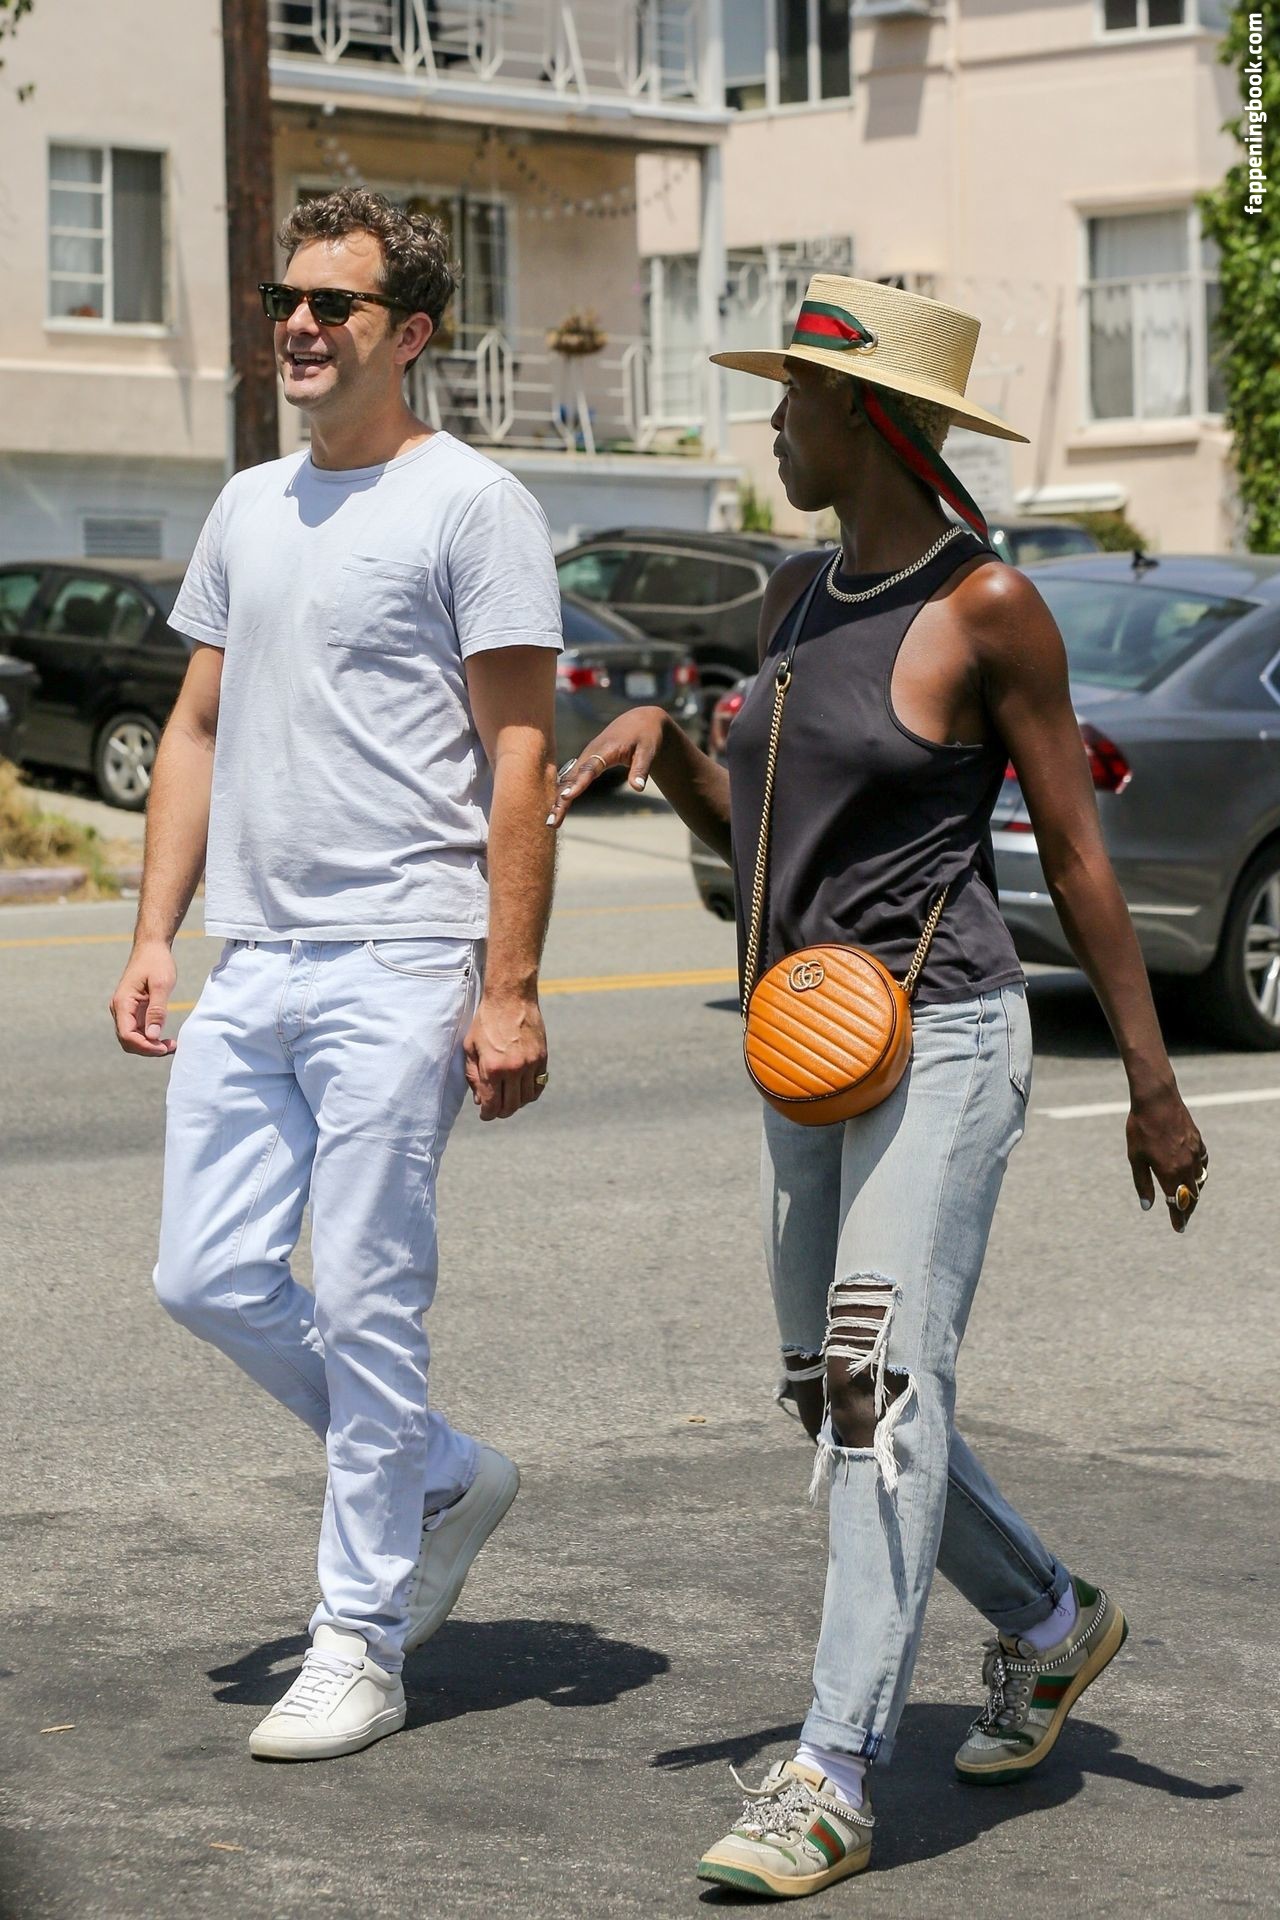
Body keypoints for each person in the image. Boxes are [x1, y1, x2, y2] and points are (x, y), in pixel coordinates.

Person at [550, 274, 1208, 1898]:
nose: (771, 423)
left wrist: (1151, 1084)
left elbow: (1076, 856)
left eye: (791, 396)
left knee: (878, 1387)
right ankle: (1051, 1622)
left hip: (950, 1041)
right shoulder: (794, 597)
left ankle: (834, 1772)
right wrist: (672, 754)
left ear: (865, 413)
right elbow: (770, 844)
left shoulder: (988, 609)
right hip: (807, 1045)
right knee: (826, 1388)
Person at [109, 188, 562, 1762]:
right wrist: (156, 930)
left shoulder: (473, 506)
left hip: (403, 956)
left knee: (369, 1301)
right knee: (204, 1275)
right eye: (283, 300)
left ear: (410, 332)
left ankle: (358, 1639)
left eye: (334, 305)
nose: (298, 325)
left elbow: (520, 757)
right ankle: (440, 1472)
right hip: (257, 955)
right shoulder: (248, 505)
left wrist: (510, 987)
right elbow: (195, 729)